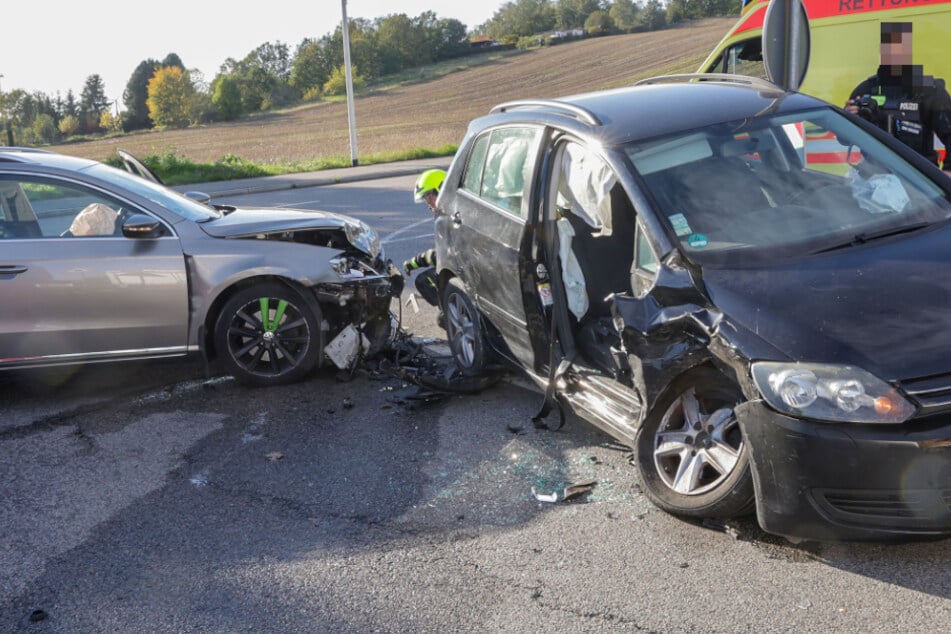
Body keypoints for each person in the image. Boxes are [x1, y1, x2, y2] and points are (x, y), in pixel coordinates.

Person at [845, 22, 951, 176]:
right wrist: (849, 117)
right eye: (889, 48)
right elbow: (844, 140)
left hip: (920, 183)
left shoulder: (929, 90)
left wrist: (948, 172)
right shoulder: (865, 90)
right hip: (874, 182)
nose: (894, 54)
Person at [404, 169, 446, 326]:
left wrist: (414, 263)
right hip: (462, 264)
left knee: (424, 281)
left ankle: (451, 309)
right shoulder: (444, 212)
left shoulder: (449, 215)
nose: (428, 201)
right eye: (425, 197)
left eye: (430, 195)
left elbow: (440, 255)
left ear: (441, 189)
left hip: (465, 268)